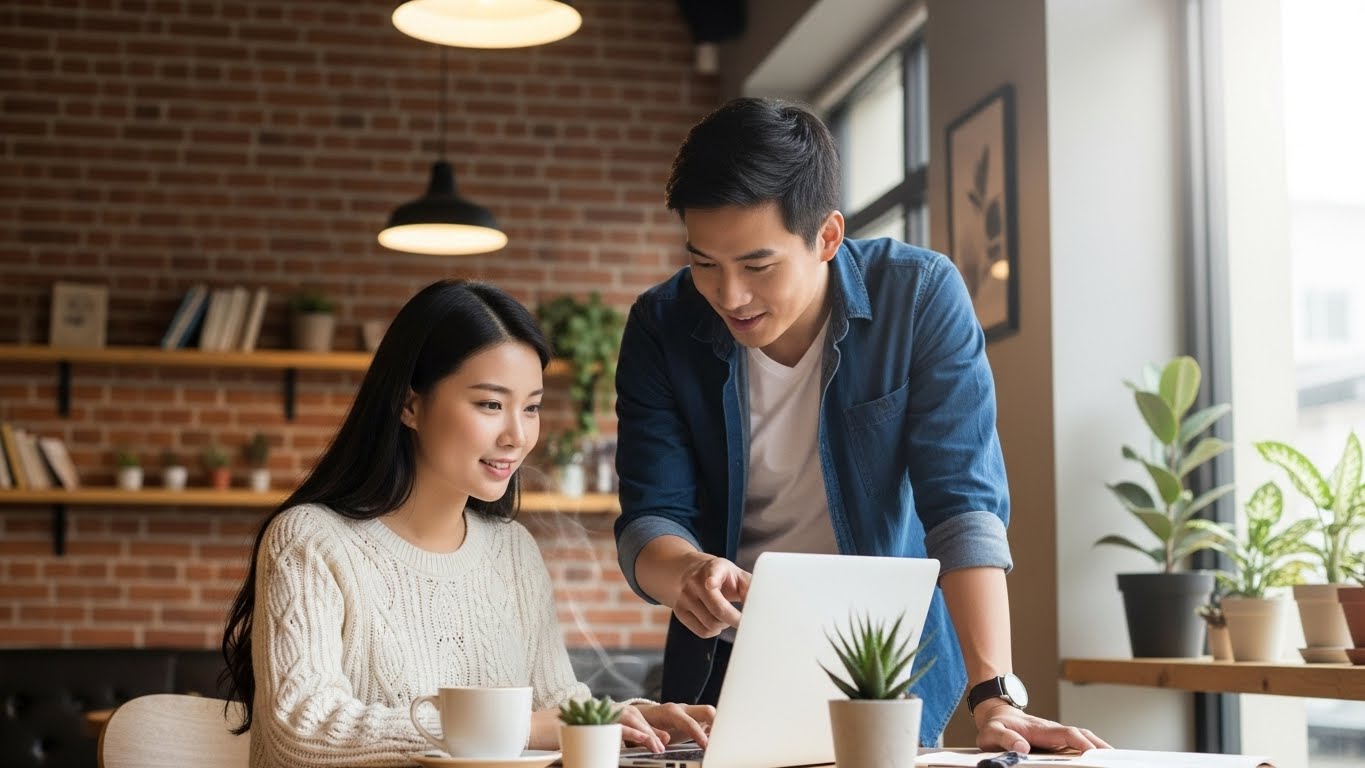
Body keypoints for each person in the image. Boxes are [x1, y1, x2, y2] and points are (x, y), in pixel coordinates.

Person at [612, 98, 1108, 752]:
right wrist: (686, 572)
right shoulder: (662, 325)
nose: (728, 295)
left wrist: (994, 693)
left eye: (757, 266)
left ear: (827, 236)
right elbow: (651, 518)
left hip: (885, 662)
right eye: (704, 263)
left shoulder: (919, 296)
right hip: (724, 662)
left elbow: (962, 505)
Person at [221, 280, 713, 767]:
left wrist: (630, 721)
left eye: (532, 407)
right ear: (410, 405)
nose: (517, 436)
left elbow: (557, 704)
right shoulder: (310, 540)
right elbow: (301, 730)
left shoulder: (513, 551)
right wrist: (514, 728)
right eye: (490, 404)